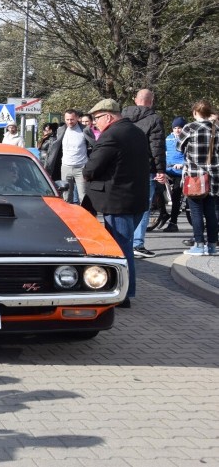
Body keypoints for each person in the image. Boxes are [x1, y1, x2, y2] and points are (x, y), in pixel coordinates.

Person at [83, 99, 150, 308]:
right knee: (126, 244)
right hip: (137, 199)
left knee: (121, 247)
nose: (95, 124)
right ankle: (124, 290)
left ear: (108, 116)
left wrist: (87, 174)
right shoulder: (137, 132)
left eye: (96, 119)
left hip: (117, 201)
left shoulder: (111, 135)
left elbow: (91, 169)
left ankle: (124, 294)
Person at [122, 89, 166, 258]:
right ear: (152, 100)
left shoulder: (123, 116)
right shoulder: (154, 119)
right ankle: (137, 244)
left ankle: (123, 241)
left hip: (123, 167)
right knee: (144, 206)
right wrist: (160, 170)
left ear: (135, 99)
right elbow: (156, 147)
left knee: (125, 205)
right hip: (144, 168)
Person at [177, 99, 218, 256]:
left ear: (195, 112)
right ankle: (212, 245)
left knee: (196, 211)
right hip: (214, 176)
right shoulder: (217, 128)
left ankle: (199, 245)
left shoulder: (189, 128)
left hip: (195, 176)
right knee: (212, 212)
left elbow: (179, 147)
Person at [45, 110, 90, 204]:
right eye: (67, 119)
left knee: (84, 196)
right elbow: (54, 147)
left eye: (72, 119)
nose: (70, 122)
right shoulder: (61, 130)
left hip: (81, 167)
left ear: (77, 118)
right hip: (66, 166)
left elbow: (92, 146)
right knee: (66, 196)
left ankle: (85, 216)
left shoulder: (85, 130)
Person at [162, 117, 187, 233]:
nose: (177, 130)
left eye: (180, 128)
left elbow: (190, 156)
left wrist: (182, 164)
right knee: (158, 189)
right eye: (175, 128)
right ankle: (162, 212)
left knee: (176, 196)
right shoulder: (168, 138)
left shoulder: (186, 139)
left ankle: (173, 222)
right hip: (168, 170)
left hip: (180, 172)